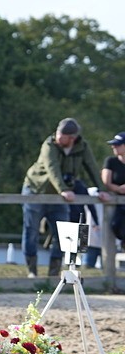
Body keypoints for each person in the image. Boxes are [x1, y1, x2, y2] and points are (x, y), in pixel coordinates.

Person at [21, 117, 110, 278]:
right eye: (58, 134)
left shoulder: (82, 147)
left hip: (61, 196)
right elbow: (52, 168)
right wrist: (63, 189)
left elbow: (91, 166)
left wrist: (102, 190)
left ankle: (53, 274)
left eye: (62, 136)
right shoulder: (49, 145)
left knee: (63, 234)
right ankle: (31, 272)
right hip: (36, 190)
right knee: (31, 230)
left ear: (72, 138)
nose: (57, 138)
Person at [101, 132, 125, 251]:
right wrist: (119, 188)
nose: (113, 147)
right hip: (115, 201)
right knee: (115, 225)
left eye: (117, 145)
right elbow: (106, 182)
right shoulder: (111, 161)